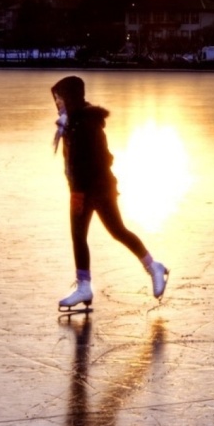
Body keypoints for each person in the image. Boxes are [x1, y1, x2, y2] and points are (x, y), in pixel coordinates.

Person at [51, 75, 168, 310]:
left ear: (71, 98)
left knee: (116, 231)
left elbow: (101, 159)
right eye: (56, 100)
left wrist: (81, 192)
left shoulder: (85, 124)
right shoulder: (71, 122)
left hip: (96, 190)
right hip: (84, 189)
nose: (58, 104)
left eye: (60, 99)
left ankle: (153, 267)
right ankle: (84, 286)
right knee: (81, 235)